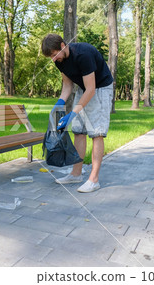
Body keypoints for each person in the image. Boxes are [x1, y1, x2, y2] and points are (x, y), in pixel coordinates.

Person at [41, 33, 114, 193]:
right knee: (78, 131)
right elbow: (67, 86)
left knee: (96, 133)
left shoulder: (83, 54)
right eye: (51, 57)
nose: (53, 59)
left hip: (100, 88)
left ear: (62, 46)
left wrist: (72, 114)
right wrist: (59, 103)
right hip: (84, 89)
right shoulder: (59, 61)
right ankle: (76, 174)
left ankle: (94, 180)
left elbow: (92, 89)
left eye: (54, 55)